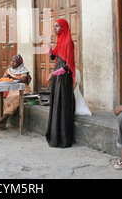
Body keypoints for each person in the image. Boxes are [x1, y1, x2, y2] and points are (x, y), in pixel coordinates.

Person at [45, 18, 76, 148]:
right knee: (56, 106)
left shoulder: (68, 41)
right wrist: (48, 46)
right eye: (54, 27)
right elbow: (53, 57)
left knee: (62, 108)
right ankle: (55, 137)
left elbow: (68, 66)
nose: (54, 29)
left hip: (63, 79)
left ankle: (63, 139)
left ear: (63, 28)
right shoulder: (60, 41)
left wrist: (53, 74)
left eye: (57, 26)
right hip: (58, 79)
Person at [0, 54, 31, 130]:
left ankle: (2, 120)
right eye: (11, 61)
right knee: (8, 100)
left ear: (19, 63)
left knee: (14, 99)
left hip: (22, 90)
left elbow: (24, 80)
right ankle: (3, 124)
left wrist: (11, 78)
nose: (12, 63)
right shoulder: (9, 70)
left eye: (15, 61)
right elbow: (3, 79)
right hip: (12, 91)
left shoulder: (23, 70)